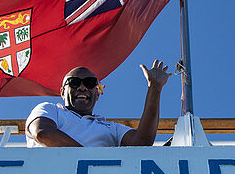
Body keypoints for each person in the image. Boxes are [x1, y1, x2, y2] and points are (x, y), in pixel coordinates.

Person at [26, 61, 171, 147]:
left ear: (97, 94)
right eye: (74, 83)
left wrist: (155, 88)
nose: (82, 87)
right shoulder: (49, 109)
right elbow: (43, 133)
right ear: (63, 92)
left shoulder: (111, 129)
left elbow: (142, 142)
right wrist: (89, 160)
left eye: (89, 83)